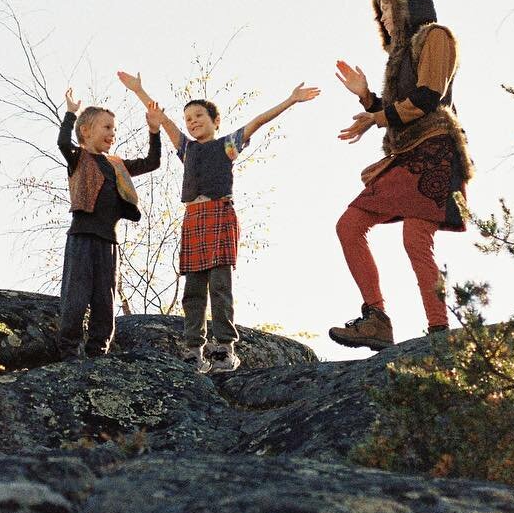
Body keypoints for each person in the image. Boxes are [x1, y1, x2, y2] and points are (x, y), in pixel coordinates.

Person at [118, 71, 319, 373]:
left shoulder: (227, 145)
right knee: (193, 290)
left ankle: (224, 347)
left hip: (220, 214)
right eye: (188, 118)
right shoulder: (188, 149)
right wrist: (139, 90)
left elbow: (258, 121)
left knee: (220, 286)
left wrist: (290, 100)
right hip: (193, 218)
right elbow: (163, 119)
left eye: (199, 115)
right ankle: (193, 350)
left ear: (215, 121)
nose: (192, 121)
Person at [328, 0, 473, 349]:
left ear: (408, 6)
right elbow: (397, 113)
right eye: (380, 10)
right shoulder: (399, 56)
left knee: (415, 238)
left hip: (436, 151)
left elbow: (427, 98)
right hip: (408, 152)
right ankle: (376, 318)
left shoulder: (435, 36)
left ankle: (439, 331)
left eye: (389, 7)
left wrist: (377, 117)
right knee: (350, 225)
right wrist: (366, 98)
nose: (383, 16)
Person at [56, 89, 164, 358]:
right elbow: (61, 142)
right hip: (81, 237)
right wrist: (70, 113)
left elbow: (152, 162)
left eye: (114, 129)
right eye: (106, 127)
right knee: (76, 297)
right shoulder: (77, 157)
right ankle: (69, 350)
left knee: (105, 300)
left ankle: (98, 352)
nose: (112, 133)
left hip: (109, 241)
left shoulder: (116, 164)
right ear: (85, 131)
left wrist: (154, 131)